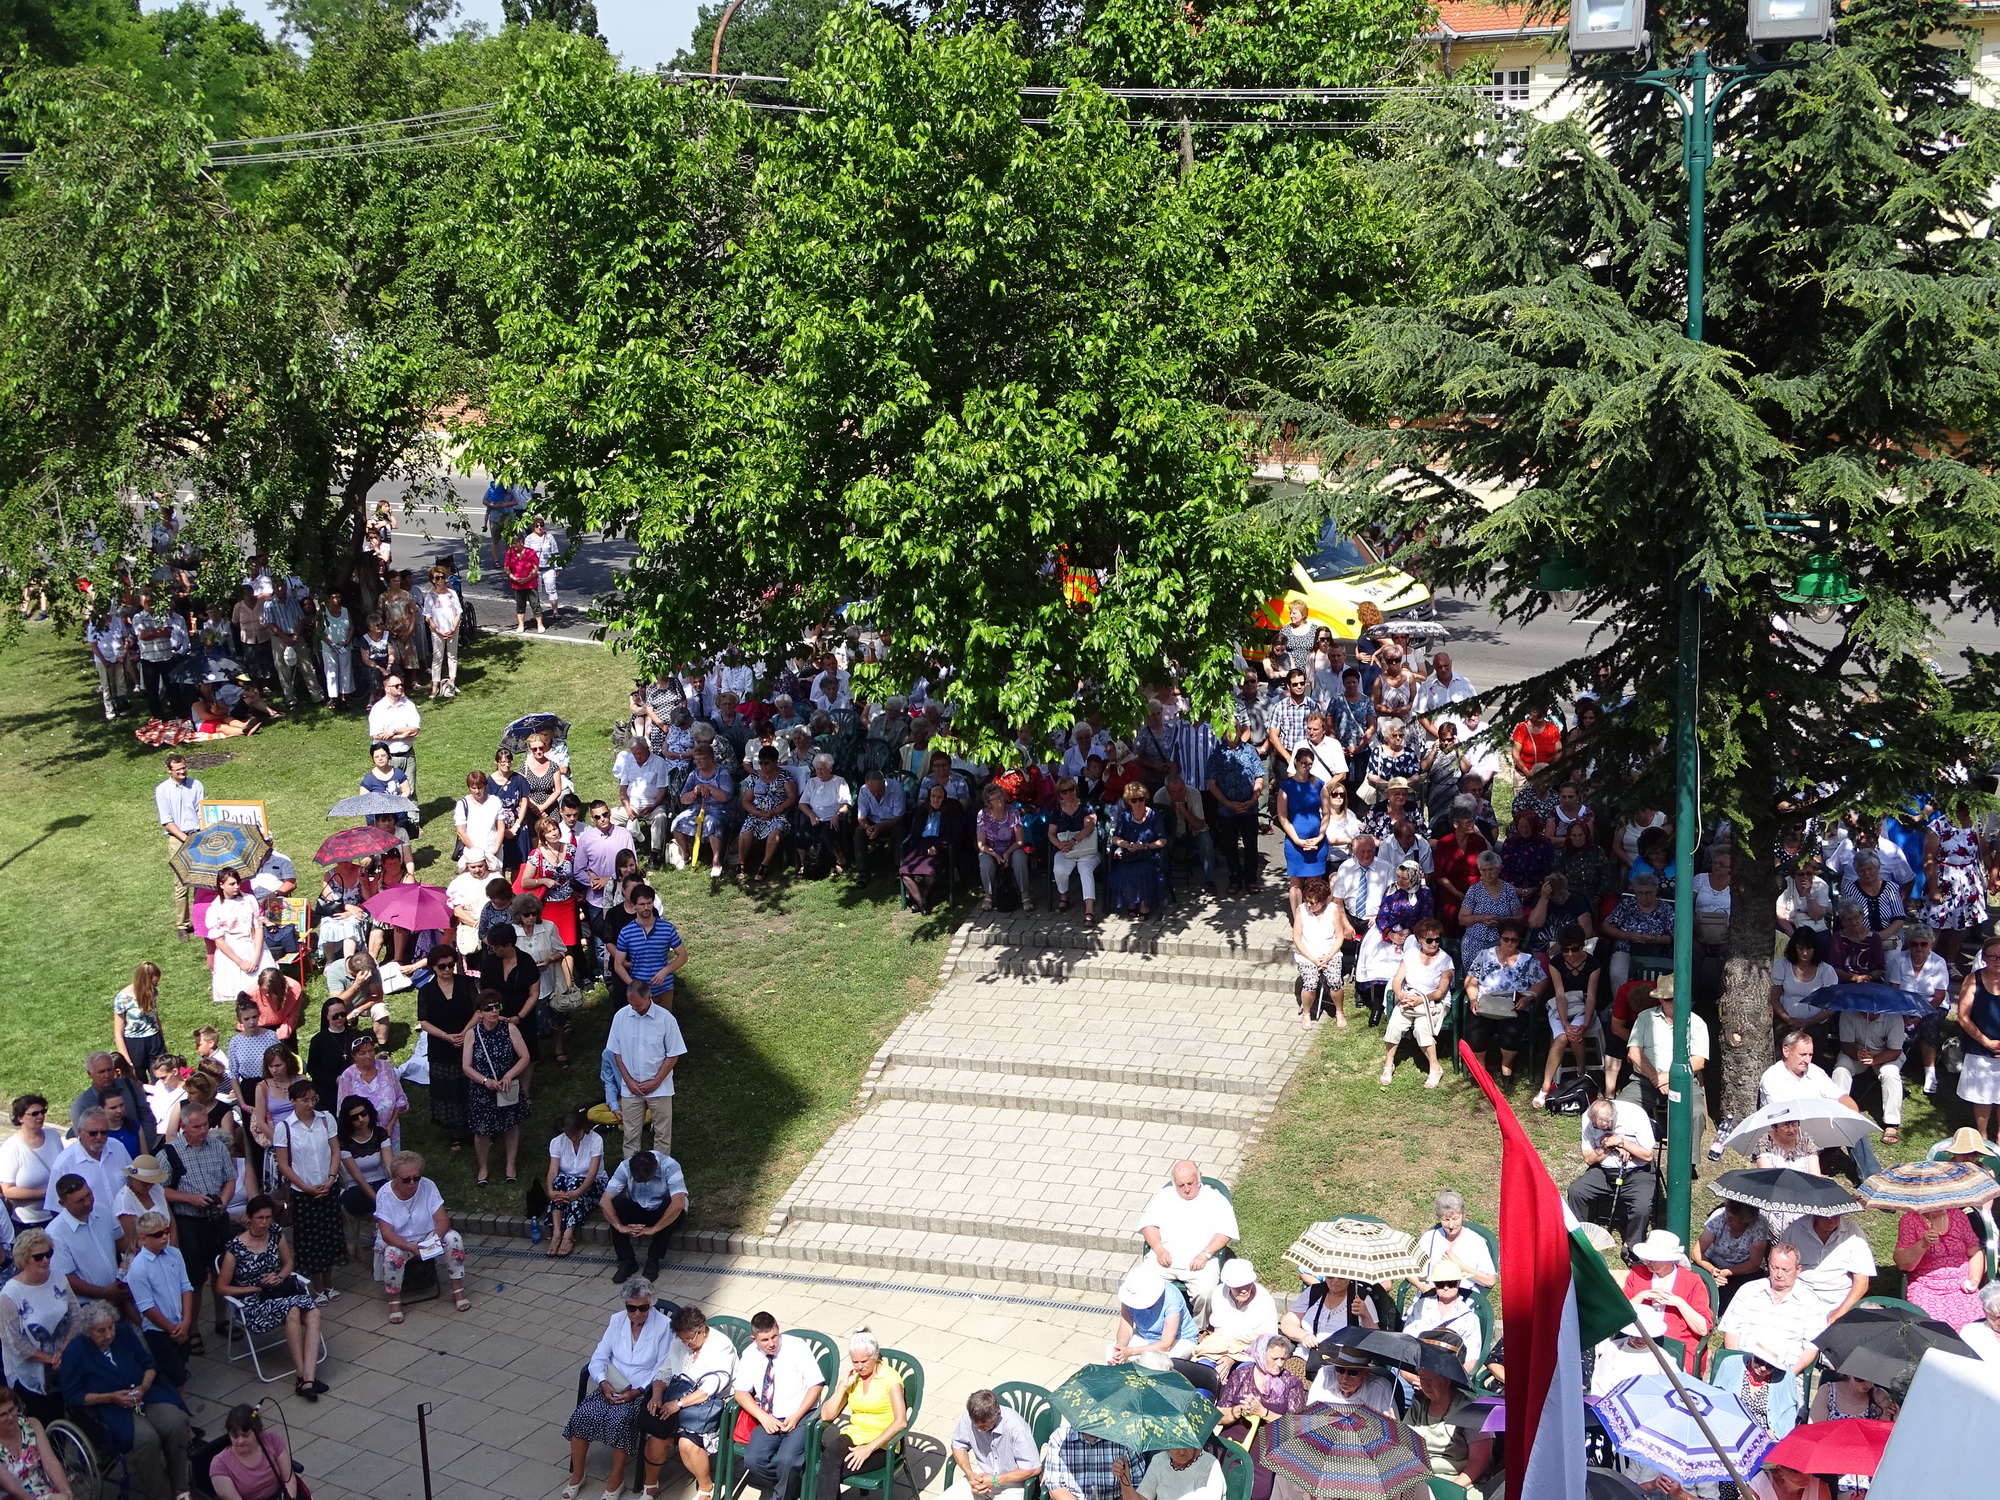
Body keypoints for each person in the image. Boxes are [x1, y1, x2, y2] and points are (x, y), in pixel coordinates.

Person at [59, 1300, 191, 1500]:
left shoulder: (124, 1333)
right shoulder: (75, 1352)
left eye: (110, 1327)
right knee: (146, 1439)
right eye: (101, 1331)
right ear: (88, 1332)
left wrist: (143, 1387)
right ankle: (158, 1495)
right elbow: (73, 1395)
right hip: (110, 1407)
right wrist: (110, 1397)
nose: (109, 1334)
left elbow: (149, 1365)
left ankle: (180, 1488)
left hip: (145, 1393)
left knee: (175, 1421)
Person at [564, 1277, 674, 1500]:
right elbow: (599, 1357)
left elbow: (663, 1367)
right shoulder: (616, 1321)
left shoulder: (664, 1326)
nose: (637, 1314)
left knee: (620, 1421)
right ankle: (578, 1474)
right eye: (631, 1308)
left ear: (651, 1304)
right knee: (582, 1416)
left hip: (641, 1389)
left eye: (643, 1308)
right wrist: (603, 1384)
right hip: (612, 1383)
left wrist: (638, 1390)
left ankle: (616, 1479)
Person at [216, 1194, 326, 1399]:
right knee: (294, 1310)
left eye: (268, 1217)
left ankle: (307, 1378)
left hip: (278, 1291)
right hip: (254, 1302)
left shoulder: (275, 1233)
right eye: (260, 1218)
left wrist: (278, 1277)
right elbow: (222, 1287)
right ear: (249, 1217)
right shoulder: (236, 1248)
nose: (265, 1222)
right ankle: (303, 1376)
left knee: (313, 1313)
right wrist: (255, 1288)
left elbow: (288, 1263)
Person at [641, 1303, 738, 1500]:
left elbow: (710, 1389)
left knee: (687, 1443)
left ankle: (706, 1488)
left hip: (708, 1405)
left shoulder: (721, 1346)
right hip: (679, 1399)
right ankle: (650, 1485)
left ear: (702, 1329)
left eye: (689, 1338)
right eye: (682, 1338)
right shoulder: (679, 1343)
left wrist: (677, 1404)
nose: (686, 1343)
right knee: (656, 1439)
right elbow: (665, 1371)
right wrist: (657, 1394)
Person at [734, 1312, 829, 1500]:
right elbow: (740, 1392)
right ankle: (796, 1486)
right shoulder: (750, 1354)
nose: (771, 1343)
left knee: (787, 1460)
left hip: (800, 1415)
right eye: (765, 1340)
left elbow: (816, 1385)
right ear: (754, 1339)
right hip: (769, 1417)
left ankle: (781, 1495)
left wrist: (797, 1415)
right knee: (753, 1460)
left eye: (775, 1336)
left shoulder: (797, 1347)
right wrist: (762, 1417)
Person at [158, 1108, 233, 1341]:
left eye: (205, 1125)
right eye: (197, 1127)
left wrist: (223, 1202)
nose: (203, 1131)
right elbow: (160, 1190)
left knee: (222, 1271)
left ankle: (222, 1320)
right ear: (183, 1127)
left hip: (217, 1219)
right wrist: (190, 1199)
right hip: (189, 1222)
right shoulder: (169, 1153)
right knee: (194, 1278)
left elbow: (230, 1178)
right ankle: (192, 1329)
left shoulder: (218, 1147)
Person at [372, 1152, 469, 1321]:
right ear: (395, 1178)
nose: (412, 1183)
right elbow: (387, 1233)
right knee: (392, 1255)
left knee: (453, 1239)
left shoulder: (428, 1186)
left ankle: (457, 1290)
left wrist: (434, 1240)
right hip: (400, 1240)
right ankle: (394, 1301)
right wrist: (409, 1247)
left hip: (427, 1236)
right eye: (406, 1179)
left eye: (416, 1178)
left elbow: (442, 1219)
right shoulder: (384, 1194)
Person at [1136, 1161, 1237, 1322]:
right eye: (1181, 1185)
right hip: (1164, 1258)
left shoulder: (1215, 1199)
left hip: (1200, 1261)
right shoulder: (1165, 1196)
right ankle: (1152, 1323)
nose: (1187, 1189)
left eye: (1191, 1183)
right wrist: (1158, 1249)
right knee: (1140, 1282)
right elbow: (1149, 1225)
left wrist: (1205, 1254)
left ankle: (1200, 1328)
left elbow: (1225, 1232)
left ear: (1199, 1178)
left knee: (1206, 1293)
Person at [814, 1326, 908, 1500]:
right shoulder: (854, 1377)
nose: (859, 1367)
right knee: (828, 1460)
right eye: (855, 1362)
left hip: (881, 1442)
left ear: (876, 1355)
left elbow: (901, 1421)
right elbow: (827, 1415)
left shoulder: (890, 1379)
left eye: (864, 1362)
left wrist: (868, 1448)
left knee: (829, 1473)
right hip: (855, 1434)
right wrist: (842, 1387)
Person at [607, 960, 689, 1160]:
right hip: (631, 1089)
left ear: (649, 997)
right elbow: (617, 1053)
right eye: (631, 1004)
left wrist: (655, 1082)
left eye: (638, 1004)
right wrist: (629, 1082)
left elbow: (673, 1054)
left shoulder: (665, 1019)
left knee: (662, 1134)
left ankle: (660, 1171)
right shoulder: (621, 1017)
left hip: (659, 1088)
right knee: (630, 1135)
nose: (634, 1008)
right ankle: (632, 1172)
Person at [0, 1230, 79, 1425]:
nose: (46, 1260)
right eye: (38, 1257)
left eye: (49, 1254)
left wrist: (64, 1349)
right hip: (33, 1370)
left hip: (65, 1358)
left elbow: (76, 1315)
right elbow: (12, 1341)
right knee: (47, 1420)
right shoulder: (10, 1294)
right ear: (24, 1259)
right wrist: (49, 1359)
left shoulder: (58, 1278)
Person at [1717, 1242, 1826, 1374]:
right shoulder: (1748, 1291)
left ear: (1798, 1270)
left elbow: (1812, 1346)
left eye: (1785, 1270)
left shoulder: (1811, 1302)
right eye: (1775, 1267)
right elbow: (1731, 1330)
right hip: (1745, 1366)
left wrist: (1792, 1373)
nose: (1779, 1274)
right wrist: (1737, 1366)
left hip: (1785, 1370)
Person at [1567, 1098, 1657, 1248]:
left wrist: (1621, 1142)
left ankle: (1633, 1246)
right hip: (1604, 1170)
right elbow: (1589, 1159)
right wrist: (1609, 1147)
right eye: (1597, 1127)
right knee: (1576, 1191)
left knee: (1641, 1207)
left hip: (1637, 1172)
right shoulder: (1587, 1119)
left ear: (1615, 1119)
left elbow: (1647, 1156)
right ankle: (1580, 1239)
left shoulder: (1635, 1115)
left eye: (1606, 1127)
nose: (1603, 1131)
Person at [1463, 919, 1544, 1082]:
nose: (1509, 943)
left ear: (1519, 940)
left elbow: (1541, 981)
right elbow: (1471, 980)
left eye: (1514, 940)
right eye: (1506, 939)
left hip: (1513, 1005)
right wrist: (1473, 999)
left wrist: (1527, 998)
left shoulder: (1526, 960)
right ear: (1500, 937)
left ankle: (1506, 1065)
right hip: (1486, 1003)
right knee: (1475, 1034)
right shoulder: (1485, 955)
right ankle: (1481, 1069)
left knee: (1510, 1035)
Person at [462, 996, 530, 1189]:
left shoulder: (509, 1028)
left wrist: (509, 1075)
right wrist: (485, 1081)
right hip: (482, 1090)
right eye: (488, 1008)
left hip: (506, 1087)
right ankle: (483, 1167)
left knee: (511, 1125)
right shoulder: (472, 1034)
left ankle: (511, 1163)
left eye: (496, 1006)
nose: (494, 1011)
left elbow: (525, 1057)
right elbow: (466, 1066)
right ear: (479, 1013)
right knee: (482, 1131)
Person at [1620, 1231, 1711, 1369]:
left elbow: (1703, 1329)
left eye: (1653, 1259)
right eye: (1646, 1258)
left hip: (1675, 1346)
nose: (1647, 1262)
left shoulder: (1691, 1281)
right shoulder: (1637, 1274)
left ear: (1669, 1260)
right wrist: (1641, 1296)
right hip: (1637, 1340)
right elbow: (1619, 1316)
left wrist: (1679, 1303)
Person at [126, 1211, 196, 1388]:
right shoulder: (138, 1268)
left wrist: (187, 1322)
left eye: (166, 1231)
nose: (164, 1236)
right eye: (158, 1234)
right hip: (159, 1331)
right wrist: (173, 1330)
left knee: (181, 1368)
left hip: (180, 1323)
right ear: (143, 1239)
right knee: (175, 1378)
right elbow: (146, 1307)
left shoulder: (175, 1254)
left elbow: (185, 1287)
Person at [1536, 924, 1602, 1109]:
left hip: (1582, 1005)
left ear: (1582, 945)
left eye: (1575, 949)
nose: (1571, 954)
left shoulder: (1593, 964)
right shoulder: (1556, 963)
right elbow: (1560, 995)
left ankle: (1581, 1072)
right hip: (1560, 1006)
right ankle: (1545, 1087)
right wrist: (1565, 1023)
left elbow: (1592, 997)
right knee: (1561, 1038)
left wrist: (1585, 1024)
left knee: (1576, 1033)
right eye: (1566, 950)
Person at [417, 946, 477, 1147]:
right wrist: (446, 1037)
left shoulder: (466, 983)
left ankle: (477, 1125)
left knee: (470, 1084)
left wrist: (464, 1032)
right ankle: (456, 1131)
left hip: (468, 1039)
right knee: (449, 1089)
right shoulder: (426, 991)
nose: (447, 970)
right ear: (433, 967)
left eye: (451, 965)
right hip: (441, 1046)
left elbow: (477, 1011)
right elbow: (424, 1021)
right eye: (442, 966)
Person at [1627, 975, 1709, 1122]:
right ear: (1660, 999)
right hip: (1645, 1081)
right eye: (1668, 999)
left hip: (1684, 1081)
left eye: (1677, 997)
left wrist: (1669, 1077)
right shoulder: (1645, 1017)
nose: (1674, 1002)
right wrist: (1655, 1077)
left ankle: (1689, 1140)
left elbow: (1699, 1061)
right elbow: (1634, 1053)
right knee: (1621, 1109)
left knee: (1696, 1113)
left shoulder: (1697, 1023)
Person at [1893, 1202, 1987, 1330]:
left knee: (1978, 1325)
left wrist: (1974, 1280)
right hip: (1927, 1287)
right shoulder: (1910, 1220)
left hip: (1961, 1285)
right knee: (1933, 1329)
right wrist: (1923, 1244)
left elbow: (1975, 1252)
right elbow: (1903, 1264)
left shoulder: (1958, 1216)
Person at [1383, 918, 1453, 1087]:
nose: (1434, 944)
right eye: (1430, 940)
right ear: (1420, 939)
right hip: (1410, 998)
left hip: (1434, 1001)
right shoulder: (1410, 955)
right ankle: (1388, 1064)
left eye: (1437, 940)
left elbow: (1440, 992)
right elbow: (1397, 980)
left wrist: (1420, 1000)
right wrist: (1402, 996)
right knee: (1394, 1025)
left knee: (1422, 1028)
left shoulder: (1446, 960)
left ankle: (1435, 1068)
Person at [600, 1149, 689, 1282]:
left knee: (673, 1207)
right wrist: (619, 1227)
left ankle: (653, 1259)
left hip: (661, 1210)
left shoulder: (670, 1166)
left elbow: (678, 1203)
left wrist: (653, 1229)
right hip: (638, 1207)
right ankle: (627, 1260)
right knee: (616, 1203)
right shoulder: (624, 1166)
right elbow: (604, 1201)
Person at [943, 1388, 1042, 1500]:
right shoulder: (968, 1418)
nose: (979, 1430)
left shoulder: (1017, 1428)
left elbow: (1034, 1468)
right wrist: (970, 1474)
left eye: (983, 1425)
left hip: (1012, 1483)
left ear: (998, 1413)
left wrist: (995, 1480)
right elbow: (958, 1445)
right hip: (982, 1475)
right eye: (976, 1425)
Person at [1206, 715, 1266, 896]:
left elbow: (1259, 778)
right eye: (1228, 730)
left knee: (1251, 845)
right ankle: (1235, 878)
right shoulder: (1217, 754)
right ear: (1224, 732)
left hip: (1249, 808)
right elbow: (1212, 784)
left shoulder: (1250, 751)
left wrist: (1253, 799)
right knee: (1229, 846)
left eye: (1235, 728)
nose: (1232, 733)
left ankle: (1251, 879)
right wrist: (1227, 803)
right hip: (1226, 809)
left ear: (1240, 730)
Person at [1781, 1212, 1874, 1324]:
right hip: (1800, 1296)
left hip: (1838, 1299)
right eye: (1828, 1217)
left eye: (1837, 1215)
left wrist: (1839, 1313)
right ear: (1816, 1213)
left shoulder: (1853, 1232)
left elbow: (1862, 1282)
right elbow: (1781, 1268)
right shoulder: (1795, 1229)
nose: (1833, 1220)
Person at [543, 1108, 606, 1259]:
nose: (572, 1138)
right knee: (559, 1183)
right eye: (569, 1134)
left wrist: (577, 1192)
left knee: (574, 1186)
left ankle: (568, 1234)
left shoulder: (595, 1140)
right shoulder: (557, 1142)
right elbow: (553, 1171)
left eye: (575, 1134)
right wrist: (551, 1191)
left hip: (592, 1182)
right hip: (566, 1182)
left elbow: (592, 1173)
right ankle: (556, 1232)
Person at [204, 1402, 301, 1500]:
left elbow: (288, 1478)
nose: (240, 1441)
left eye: (245, 1435)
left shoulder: (272, 1440)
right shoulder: (220, 1465)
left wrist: (290, 1498)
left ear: (257, 1431)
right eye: (235, 1436)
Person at [1955, 934, 2000, 1142]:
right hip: (1980, 1046)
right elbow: (1962, 1017)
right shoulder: (1973, 979)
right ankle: (1982, 1136)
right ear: (1984, 957)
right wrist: (1986, 1042)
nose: (1997, 960)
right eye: (1992, 956)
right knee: (1982, 1096)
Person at [206, 867, 272, 1007]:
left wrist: (256, 957)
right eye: (232, 884)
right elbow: (219, 941)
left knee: (265, 990)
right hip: (232, 953)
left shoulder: (249, 899)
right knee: (241, 998)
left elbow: (258, 928)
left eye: (238, 883)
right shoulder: (216, 908)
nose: (236, 887)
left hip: (253, 946)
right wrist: (241, 962)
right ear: (221, 885)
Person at [0, 1382, 76, 1500]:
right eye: (3, 1415)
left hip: (42, 1490)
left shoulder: (32, 1424)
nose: (10, 1417)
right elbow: (11, 1487)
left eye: (12, 1410)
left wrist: (67, 1492)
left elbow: (50, 1462)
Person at [900, 782, 968, 914]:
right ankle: (922, 904)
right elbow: (915, 832)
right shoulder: (922, 810)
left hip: (940, 845)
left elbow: (956, 834)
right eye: (933, 796)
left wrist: (938, 846)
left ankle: (923, 900)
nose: (936, 800)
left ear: (944, 799)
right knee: (905, 872)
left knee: (930, 872)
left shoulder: (951, 812)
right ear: (929, 797)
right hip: (921, 845)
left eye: (939, 797)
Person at [1291, 875, 1348, 1030]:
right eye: (1307, 901)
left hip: (1330, 954)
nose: (1309, 905)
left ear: (1323, 901)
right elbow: (1297, 938)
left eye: (1313, 902)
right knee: (1310, 983)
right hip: (1308, 956)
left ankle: (1339, 1011)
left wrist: (1329, 957)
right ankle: (1306, 1013)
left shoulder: (1333, 909)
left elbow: (1339, 936)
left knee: (1335, 981)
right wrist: (1312, 959)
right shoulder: (1301, 910)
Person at [1106, 781, 1168, 919]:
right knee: (1123, 870)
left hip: (1150, 855)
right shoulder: (1125, 817)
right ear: (1129, 802)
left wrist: (1145, 846)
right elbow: (1115, 837)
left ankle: (1145, 905)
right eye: (1134, 800)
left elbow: (1162, 840)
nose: (1138, 802)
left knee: (1144, 870)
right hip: (1131, 855)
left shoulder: (1153, 816)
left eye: (1141, 799)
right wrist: (1126, 844)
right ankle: (1132, 902)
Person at [1109, 1264, 1192, 1366]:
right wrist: (1121, 1348)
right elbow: (1125, 1329)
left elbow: (1166, 1344)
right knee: (1112, 1353)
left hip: (1178, 1339)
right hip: (1144, 1335)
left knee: (1155, 1363)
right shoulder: (1128, 1295)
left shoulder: (1171, 1299)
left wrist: (1131, 1351)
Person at [1696, 1201, 1773, 1310]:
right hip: (1713, 1262)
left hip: (1743, 1269)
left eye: (1732, 1218)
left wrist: (1727, 1272)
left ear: (1745, 1222)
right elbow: (1697, 1252)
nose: (1727, 1219)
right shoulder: (1719, 1216)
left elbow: (1754, 1263)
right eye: (1727, 1214)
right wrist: (1712, 1270)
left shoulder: (1759, 1223)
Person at [1412, 1191, 1496, 1291]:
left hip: (1463, 1296)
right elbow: (1409, 1269)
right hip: (1432, 1294)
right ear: (1439, 1217)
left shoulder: (1476, 1241)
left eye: (1455, 1218)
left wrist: (1460, 1266)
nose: (1451, 1225)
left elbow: (1490, 1281)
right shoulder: (1429, 1238)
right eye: (1446, 1220)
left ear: (1463, 1215)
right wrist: (1421, 1286)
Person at [0, 1097, 61, 1234]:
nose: (40, 1116)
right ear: (20, 1118)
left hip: (58, 1213)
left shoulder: (53, 1136)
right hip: (29, 1222)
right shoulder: (11, 1148)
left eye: (43, 1112)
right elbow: (7, 1190)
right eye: (34, 1114)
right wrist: (45, 1194)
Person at [1047, 777, 1102, 922]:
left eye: (1070, 789)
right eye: (1064, 791)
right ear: (1059, 794)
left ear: (1075, 789)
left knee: (1085, 869)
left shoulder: (1086, 805)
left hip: (1087, 849)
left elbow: (1090, 827)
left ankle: (1089, 909)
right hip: (1066, 849)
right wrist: (1059, 844)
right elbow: (1051, 833)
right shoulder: (1057, 809)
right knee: (1059, 869)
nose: (1068, 793)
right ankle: (1064, 897)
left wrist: (1073, 840)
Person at [365, 675, 422, 803]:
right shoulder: (378, 709)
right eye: (396, 686)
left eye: (401, 685)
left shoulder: (408, 705)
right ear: (387, 688)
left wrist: (394, 731)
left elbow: (414, 729)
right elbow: (376, 734)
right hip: (388, 758)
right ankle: (392, 815)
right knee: (390, 791)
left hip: (408, 755)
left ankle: (412, 815)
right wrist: (402, 735)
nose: (400, 687)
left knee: (410, 790)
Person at [974, 785, 1031, 911]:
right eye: (994, 799)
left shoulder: (1013, 812)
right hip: (991, 850)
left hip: (1012, 848)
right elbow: (981, 844)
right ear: (989, 803)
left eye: (1000, 796)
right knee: (985, 863)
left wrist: (1008, 852)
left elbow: (1020, 841)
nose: (999, 800)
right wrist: (995, 855)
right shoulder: (982, 815)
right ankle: (988, 895)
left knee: (1020, 858)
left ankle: (1024, 894)